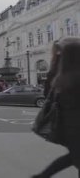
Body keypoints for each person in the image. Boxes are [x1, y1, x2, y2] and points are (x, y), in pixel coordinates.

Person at [32, 38, 80, 178]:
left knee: (74, 157)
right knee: (75, 157)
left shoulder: (60, 76)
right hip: (76, 127)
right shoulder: (76, 77)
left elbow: (47, 95)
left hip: (66, 127)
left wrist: (56, 58)